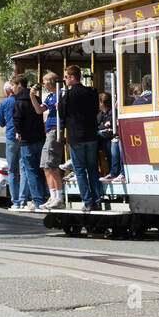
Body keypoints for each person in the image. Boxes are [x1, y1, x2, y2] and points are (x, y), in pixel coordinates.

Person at [58, 65, 102, 212]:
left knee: (80, 170)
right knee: (92, 169)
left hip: (76, 136)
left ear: (72, 77)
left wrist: (60, 106)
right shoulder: (91, 92)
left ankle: (88, 201)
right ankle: (97, 200)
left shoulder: (68, 96)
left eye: (66, 77)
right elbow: (96, 110)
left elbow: (62, 115)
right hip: (91, 134)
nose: (64, 80)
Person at [10, 75, 48, 210]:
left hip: (27, 141)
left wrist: (18, 132)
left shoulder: (18, 102)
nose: (12, 89)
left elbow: (17, 120)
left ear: (19, 85)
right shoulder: (36, 98)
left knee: (31, 171)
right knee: (42, 170)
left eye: (13, 85)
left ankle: (38, 200)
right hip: (39, 138)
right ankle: (44, 197)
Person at [0, 82, 25, 210]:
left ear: (7, 91)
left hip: (11, 137)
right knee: (24, 168)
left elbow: (1, 122)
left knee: (12, 170)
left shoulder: (3, 103)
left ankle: (16, 201)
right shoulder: (22, 100)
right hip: (24, 136)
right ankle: (24, 199)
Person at [39, 71, 65, 208]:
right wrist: (32, 96)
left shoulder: (61, 94)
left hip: (56, 130)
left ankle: (59, 198)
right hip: (48, 132)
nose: (43, 85)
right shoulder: (49, 96)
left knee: (52, 165)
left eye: (45, 82)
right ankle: (53, 196)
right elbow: (39, 110)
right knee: (45, 166)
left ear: (50, 82)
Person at [98, 92, 123, 179]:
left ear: (102, 103)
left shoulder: (113, 112)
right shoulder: (100, 114)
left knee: (110, 144)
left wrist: (103, 126)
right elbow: (97, 126)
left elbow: (110, 125)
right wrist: (103, 125)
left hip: (110, 136)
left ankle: (113, 172)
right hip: (103, 138)